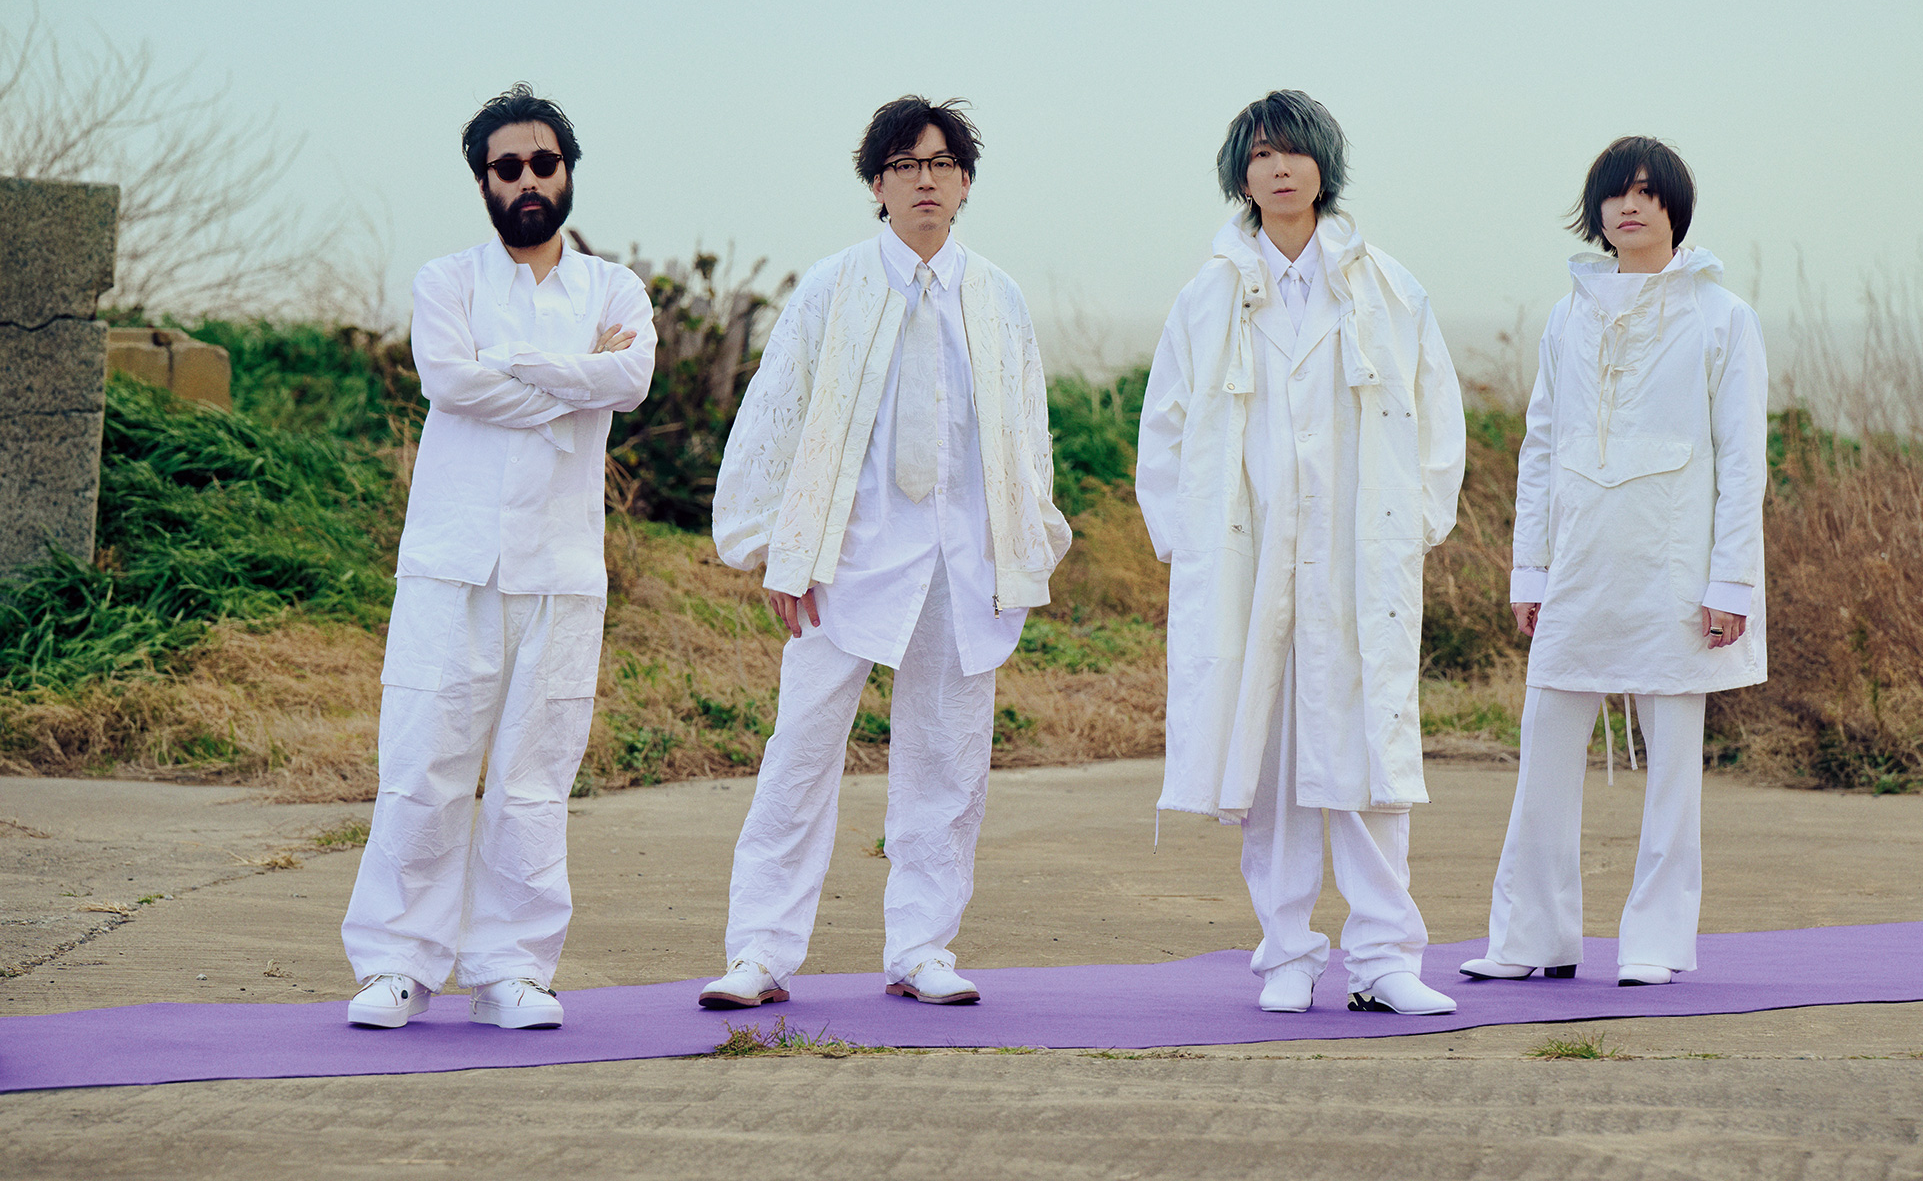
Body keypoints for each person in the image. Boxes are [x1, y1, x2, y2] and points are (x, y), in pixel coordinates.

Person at [701, 96, 1068, 1010]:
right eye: (904, 165)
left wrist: (1024, 550)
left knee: (948, 757)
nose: (924, 181)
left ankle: (922, 947)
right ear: (877, 183)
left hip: (961, 562)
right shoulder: (833, 287)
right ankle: (760, 952)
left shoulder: (997, 296)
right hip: (847, 558)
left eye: (941, 164)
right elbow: (777, 413)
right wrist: (778, 550)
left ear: (965, 182)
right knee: (800, 751)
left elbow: (1026, 433)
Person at [1136, 90, 1467, 1015]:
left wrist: (1411, 527)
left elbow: (1437, 415)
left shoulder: (1387, 287)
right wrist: (1193, 548)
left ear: (1325, 166)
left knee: (1368, 755)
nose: (1279, 169)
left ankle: (1384, 959)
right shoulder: (1208, 296)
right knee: (1270, 761)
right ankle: (1286, 951)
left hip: (1358, 560)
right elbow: (1164, 430)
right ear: (1240, 177)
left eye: (1293, 152)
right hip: (1248, 562)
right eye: (1260, 155)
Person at [341, 84, 656, 1029]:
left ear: (568, 171)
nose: (527, 180)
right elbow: (450, 381)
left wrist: (514, 366)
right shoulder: (448, 282)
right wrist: (576, 383)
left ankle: (511, 969)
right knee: (424, 761)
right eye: (506, 167)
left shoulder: (614, 291)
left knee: (533, 776)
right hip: (453, 562)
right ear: (483, 181)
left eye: (542, 163)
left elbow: (632, 378)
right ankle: (396, 963)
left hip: (562, 570)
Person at [1460, 135, 1766, 988]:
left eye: (1647, 192)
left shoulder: (1722, 317)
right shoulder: (1569, 315)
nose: (1630, 206)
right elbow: (1542, 445)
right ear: (1596, 212)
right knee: (1545, 749)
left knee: (1672, 767)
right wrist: (1531, 568)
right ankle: (1533, 937)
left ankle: (1655, 944)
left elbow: (1743, 462)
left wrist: (1731, 581)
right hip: (1580, 568)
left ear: (1674, 208)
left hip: (1675, 570)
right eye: (1615, 194)